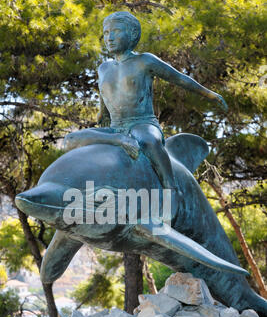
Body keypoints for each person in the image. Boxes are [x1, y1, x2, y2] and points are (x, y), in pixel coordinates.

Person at [64, 11, 227, 191]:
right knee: (71, 139)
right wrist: (102, 113)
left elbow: (179, 78)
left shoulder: (144, 61)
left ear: (132, 34)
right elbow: (104, 92)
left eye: (116, 31)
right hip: (116, 127)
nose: (109, 38)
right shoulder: (104, 68)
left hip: (142, 124)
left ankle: (170, 186)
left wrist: (210, 94)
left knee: (149, 142)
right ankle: (118, 140)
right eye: (105, 33)